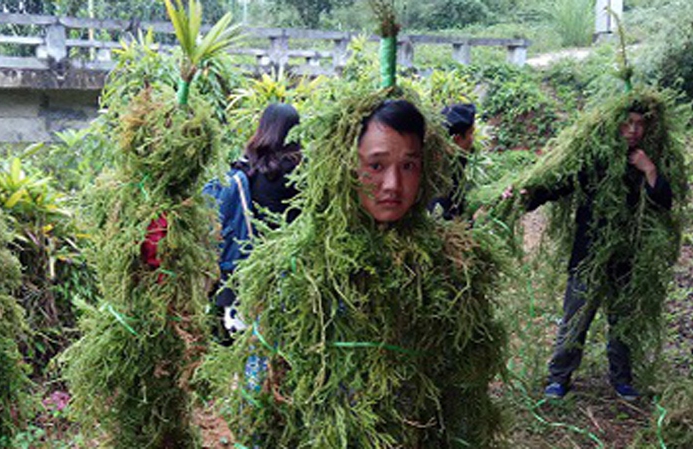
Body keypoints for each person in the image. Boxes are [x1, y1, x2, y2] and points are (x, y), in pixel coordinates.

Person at [214, 93, 507, 448]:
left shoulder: (451, 271)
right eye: (376, 165)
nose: (393, 185)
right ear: (345, 168)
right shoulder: (297, 271)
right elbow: (260, 401)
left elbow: (463, 396)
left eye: (409, 166)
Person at [501, 92, 688, 401]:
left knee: (623, 320)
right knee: (576, 318)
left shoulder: (648, 159)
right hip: (588, 254)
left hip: (628, 256)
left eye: (640, 125)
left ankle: (622, 379)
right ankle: (559, 376)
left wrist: (650, 170)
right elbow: (558, 184)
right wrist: (525, 196)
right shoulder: (595, 158)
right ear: (615, 124)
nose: (633, 131)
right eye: (627, 124)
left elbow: (665, 203)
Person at [204, 103, 301, 340]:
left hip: (245, 273)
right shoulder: (299, 172)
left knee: (251, 349)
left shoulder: (247, 167)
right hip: (289, 274)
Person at [427, 103, 476, 220]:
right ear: (457, 139)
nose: (472, 139)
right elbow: (440, 216)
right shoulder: (440, 173)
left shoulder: (459, 156)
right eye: (471, 133)